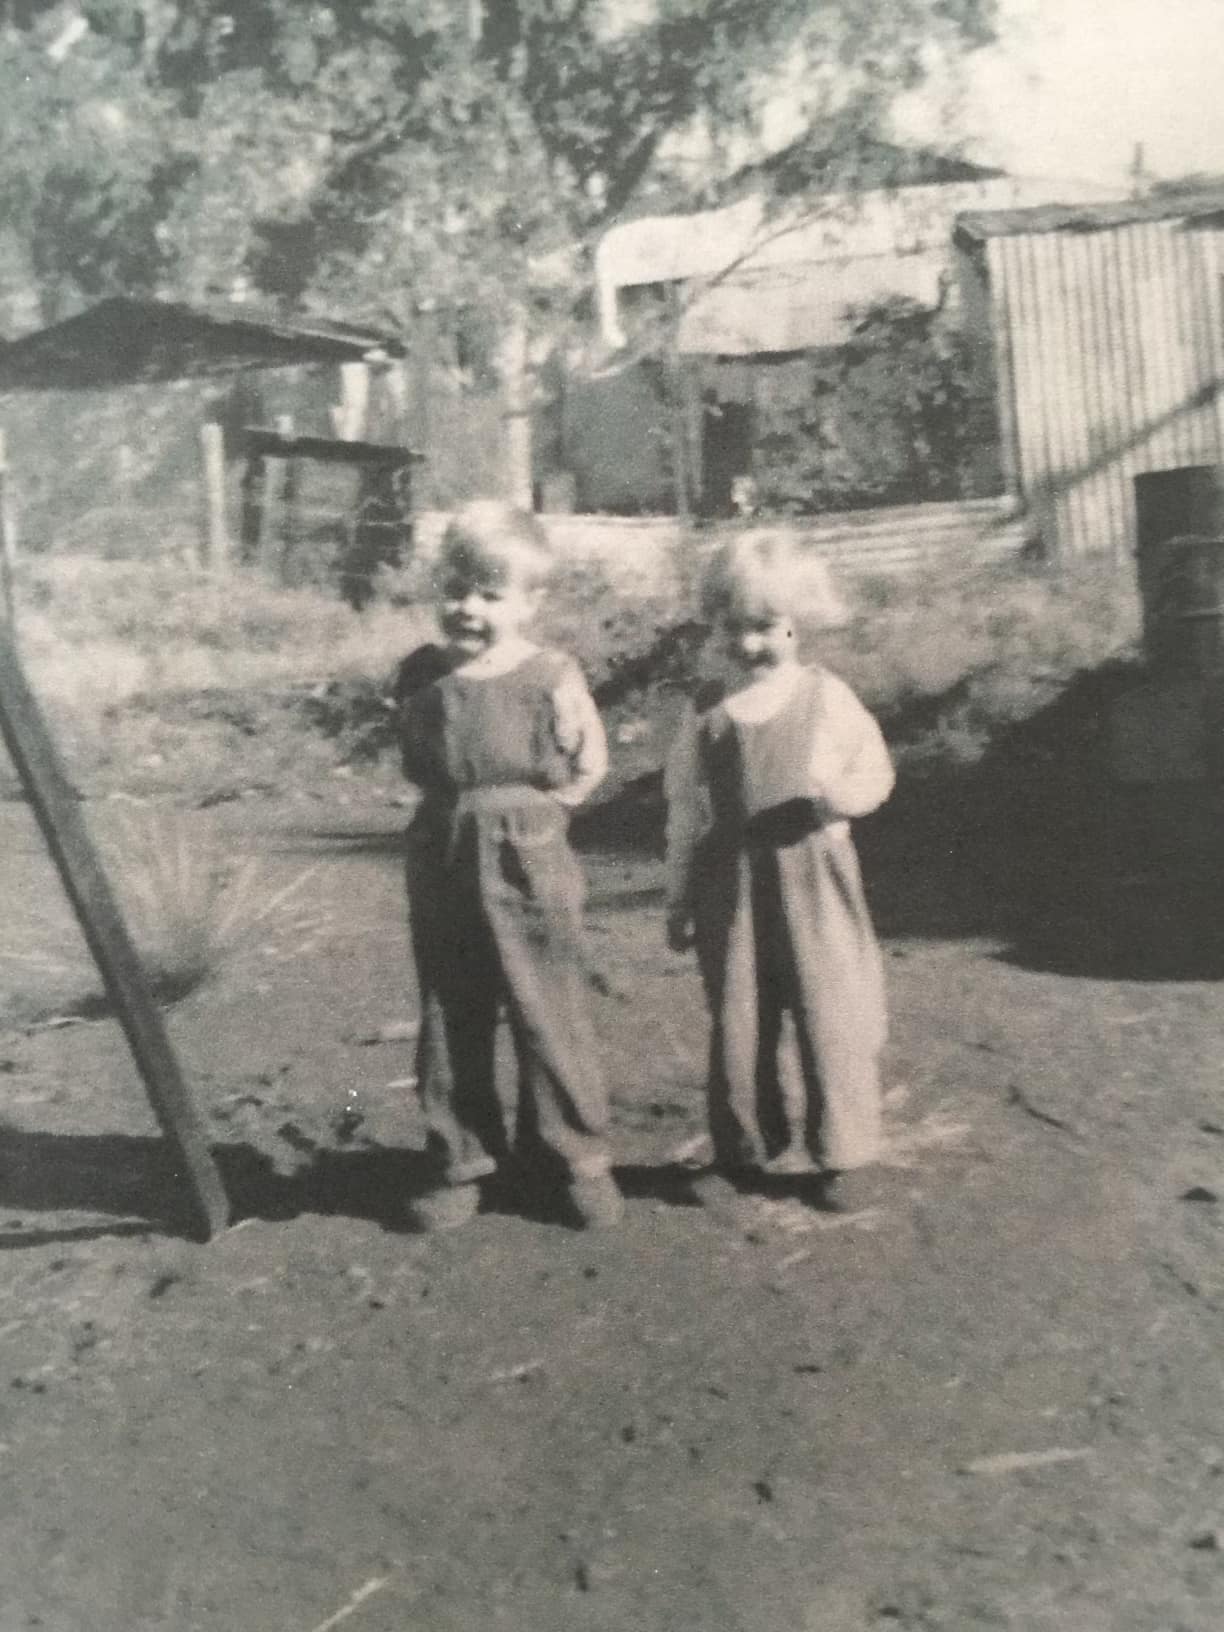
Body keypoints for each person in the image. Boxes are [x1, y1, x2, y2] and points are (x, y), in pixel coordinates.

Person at [392, 500, 623, 1231]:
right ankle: (462, 1159)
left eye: (491, 595)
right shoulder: (420, 676)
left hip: (528, 853)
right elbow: (419, 764)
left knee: (547, 1003)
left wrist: (545, 816)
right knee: (451, 1005)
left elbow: (588, 763)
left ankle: (574, 1158)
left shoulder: (549, 675)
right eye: (456, 590)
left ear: (529, 601)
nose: (468, 608)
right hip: (445, 853)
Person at [663, 535, 893, 1212]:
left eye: (767, 627)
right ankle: (746, 1151)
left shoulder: (827, 697)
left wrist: (838, 796)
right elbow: (683, 808)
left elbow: (874, 771)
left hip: (816, 879)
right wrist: (677, 896)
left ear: (800, 619)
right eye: (734, 628)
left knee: (832, 1013)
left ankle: (841, 1152)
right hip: (730, 886)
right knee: (740, 1019)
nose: (752, 645)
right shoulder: (706, 710)